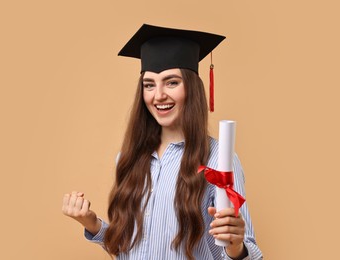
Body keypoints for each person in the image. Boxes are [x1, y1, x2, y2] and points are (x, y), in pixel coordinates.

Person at [62, 24, 263, 260]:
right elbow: (128, 248)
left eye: (171, 82)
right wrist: (92, 223)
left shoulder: (218, 159)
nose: (158, 95)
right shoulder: (129, 158)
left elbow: (250, 255)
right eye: (149, 85)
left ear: (192, 88)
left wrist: (236, 247)